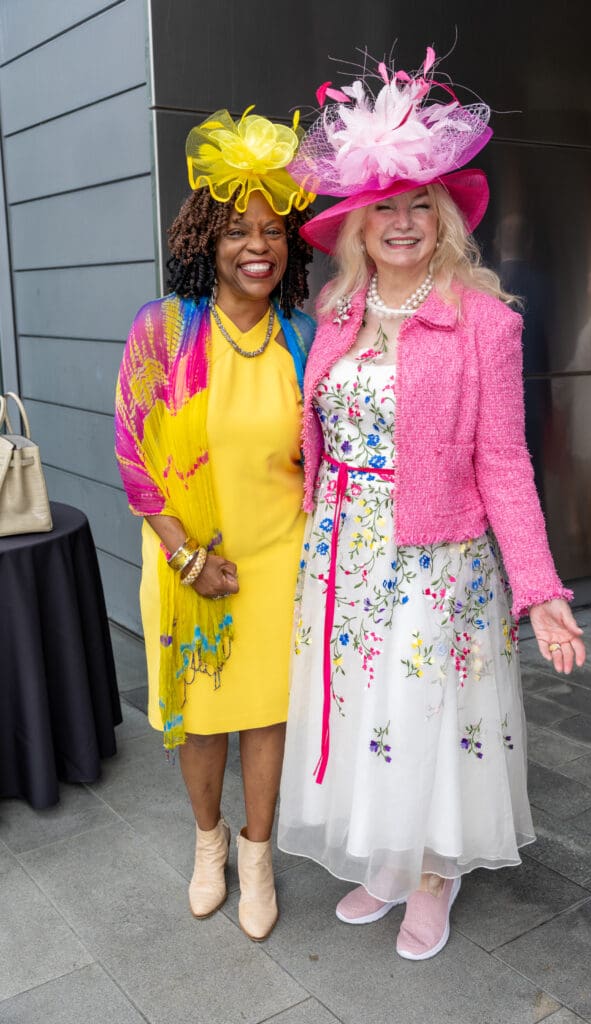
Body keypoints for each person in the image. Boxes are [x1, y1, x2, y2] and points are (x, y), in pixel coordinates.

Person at [277, 49, 586, 961]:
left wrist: (540, 589)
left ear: (444, 217)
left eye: (420, 205)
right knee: (361, 705)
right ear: (357, 223)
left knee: (422, 710)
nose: (403, 223)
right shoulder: (337, 309)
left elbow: (505, 461)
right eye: (385, 207)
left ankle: (433, 871)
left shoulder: (484, 320)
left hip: (433, 554)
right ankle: (387, 853)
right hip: (341, 549)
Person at [115, 107, 315, 940]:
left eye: (272, 230)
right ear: (208, 239)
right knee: (200, 720)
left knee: (266, 712)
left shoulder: (303, 337)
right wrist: (188, 558)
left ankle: (257, 854)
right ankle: (209, 844)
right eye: (237, 230)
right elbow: (134, 457)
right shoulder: (162, 331)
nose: (256, 246)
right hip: (187, 559)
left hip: (279, 557)